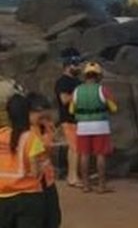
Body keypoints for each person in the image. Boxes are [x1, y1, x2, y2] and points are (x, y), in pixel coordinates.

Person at [71, 61, 117, 194]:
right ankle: (102, 186)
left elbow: (71, 109)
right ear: (98, 76)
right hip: (100, 125)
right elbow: (114, 108)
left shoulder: (77, 90)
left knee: (84, 155)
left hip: (82, 126)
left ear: (85, 76)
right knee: (100, 155)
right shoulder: (102, 89)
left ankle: (86, 185)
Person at [0, 94, 46, 228]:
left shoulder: (1, 135)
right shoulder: (31, 138)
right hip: (29, 197)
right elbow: (36, 171)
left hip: (3, 197)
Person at [28, 92, 61, 228]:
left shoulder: (46, 126)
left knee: (53, 217)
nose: (43, 118)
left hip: (47, 178)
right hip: (33, 181)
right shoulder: (26, 132)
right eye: (39, 114)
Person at [53, 47, 82, 187]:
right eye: (75, 63)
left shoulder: (77, 81)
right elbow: (64, 99)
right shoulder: (62, 81)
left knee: (78, 148)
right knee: (74, 147)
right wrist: (80, 93)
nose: (78, 66)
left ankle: (75, 175)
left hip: (79, 118)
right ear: (67, 64)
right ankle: (72, 176)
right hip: (68, 119)